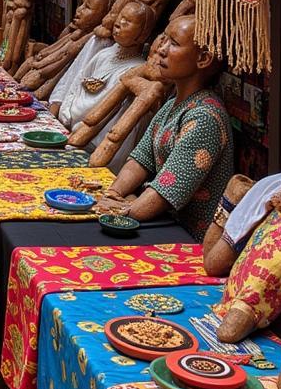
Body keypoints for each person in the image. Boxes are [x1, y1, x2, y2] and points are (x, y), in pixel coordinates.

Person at [95, 14, 233, 239]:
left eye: (174, 44)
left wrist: (122, 209)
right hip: (161, 224)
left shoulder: (205, 117)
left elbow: (165, 192)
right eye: (164, 39)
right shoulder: (173, 104)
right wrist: (114, 192)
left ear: (203, 59)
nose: (161, 49)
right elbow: (140, 159)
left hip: (187, 238)